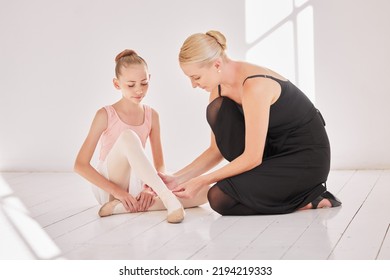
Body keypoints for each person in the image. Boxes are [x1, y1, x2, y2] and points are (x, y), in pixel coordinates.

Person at [159, 30, 341, 215]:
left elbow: (253, 157)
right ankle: (284, 195)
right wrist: (177, 178)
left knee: (218, 196)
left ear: (217, 64)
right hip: (271, 154)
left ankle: (310, 198)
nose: (193, 85)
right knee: (219, 107)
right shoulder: (219, 90)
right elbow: (216, 150)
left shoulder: (255, 86)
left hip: (304, 159)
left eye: (196, 77)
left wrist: (201, 180)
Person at [74, 49, 206, 223]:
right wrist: (118, 192)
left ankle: (120, 209)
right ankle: (167, 199)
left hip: (137, 184)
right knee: (128, 136)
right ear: (116, 84)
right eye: (131, 85)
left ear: (149, 79)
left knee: (205, 192)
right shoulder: (105, 115)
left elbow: (160, 165)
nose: (139, 90)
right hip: (110, 189)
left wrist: (149, 190)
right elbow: (80, 165)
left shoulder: (152, 115)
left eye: (144, 83)